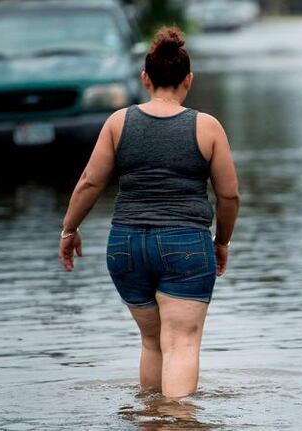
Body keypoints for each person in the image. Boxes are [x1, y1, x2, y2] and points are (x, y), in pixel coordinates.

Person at [58, 27, 239, 399]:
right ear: (188, 80)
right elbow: (229, 195)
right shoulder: (207, 127)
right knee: (182, 344)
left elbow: (90, 183)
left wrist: (69, 230)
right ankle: (177, 423)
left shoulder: (118, 122)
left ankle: (152, 420)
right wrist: (222, 241)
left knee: (153, 342)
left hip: (125, 245)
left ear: (145, 79)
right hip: (185, 244)